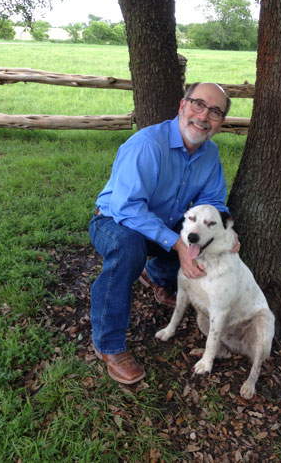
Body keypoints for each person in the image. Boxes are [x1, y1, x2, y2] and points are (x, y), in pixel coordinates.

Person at [89, 82, 235, 385]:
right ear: (182, 106)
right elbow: (127, 208)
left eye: (215, 112)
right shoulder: (147, 144)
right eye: (198, 105)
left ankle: (155, 276)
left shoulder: (210, 154)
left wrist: (224, 231)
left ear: (220, 122)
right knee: (129, 249)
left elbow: (213, 202)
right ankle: (109, 344)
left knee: (205, 243)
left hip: (164, 224)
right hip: (115, 222)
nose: (204, 116)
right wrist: (179, 244)